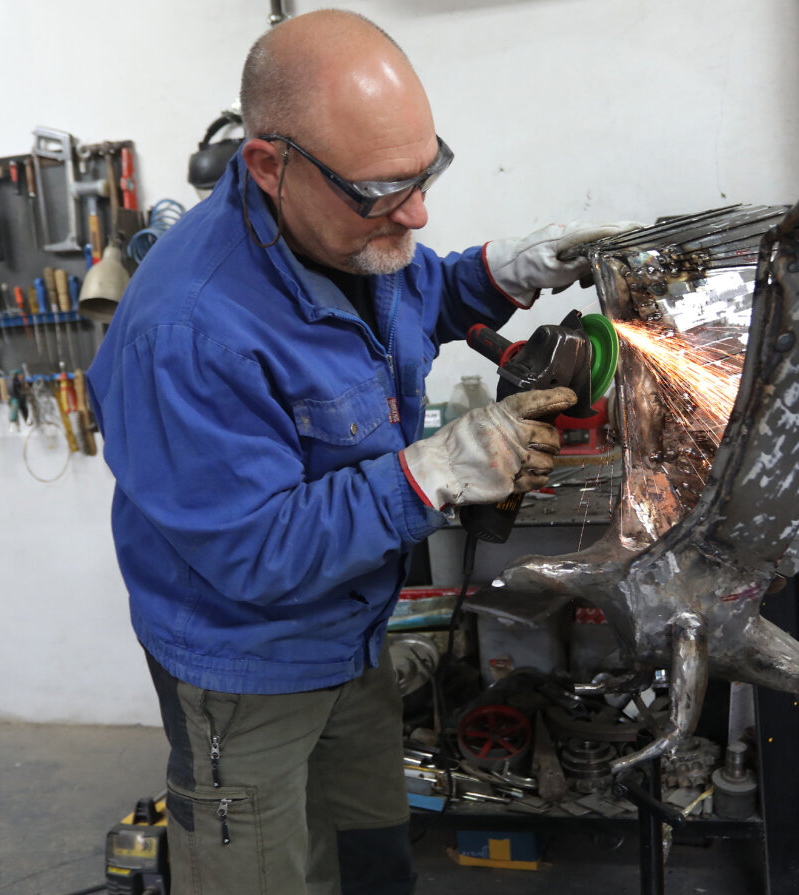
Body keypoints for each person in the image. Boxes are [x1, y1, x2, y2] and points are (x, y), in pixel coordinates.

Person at [86, 10, 635, 894]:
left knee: (373, 857)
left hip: (351, 636)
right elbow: (255, 550)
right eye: (386, 190)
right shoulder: (187, 330)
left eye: (427, 173)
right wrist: (430, 474)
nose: (417, 210)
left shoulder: (337, 228)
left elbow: (408, 288)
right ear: (270, 165)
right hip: (247, 664)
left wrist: (502, 271)